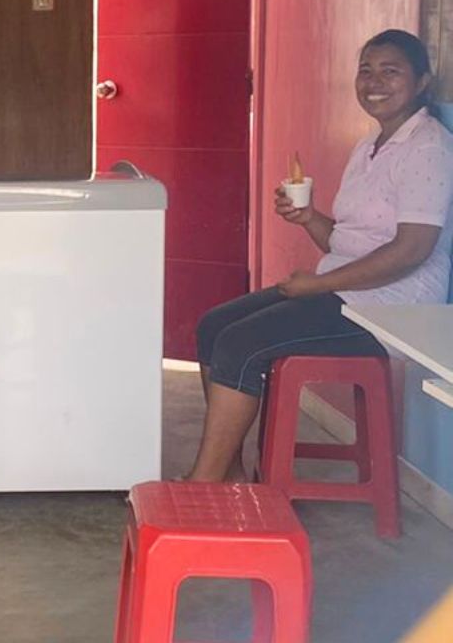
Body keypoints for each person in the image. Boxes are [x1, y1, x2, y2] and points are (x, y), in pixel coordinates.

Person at [188, 29, 453, 482]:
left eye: (391, 72)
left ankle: (204, 483)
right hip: (343, 292)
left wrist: (318, 284)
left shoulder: (428, 148)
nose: (374, 82)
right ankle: (227, 472)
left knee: (239, 345)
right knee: (214, 326)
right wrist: (309, 217)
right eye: (366, 70)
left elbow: (412, 251)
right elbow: (344, 241)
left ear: (422, 81)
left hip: (388, 310)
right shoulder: (369, 146)